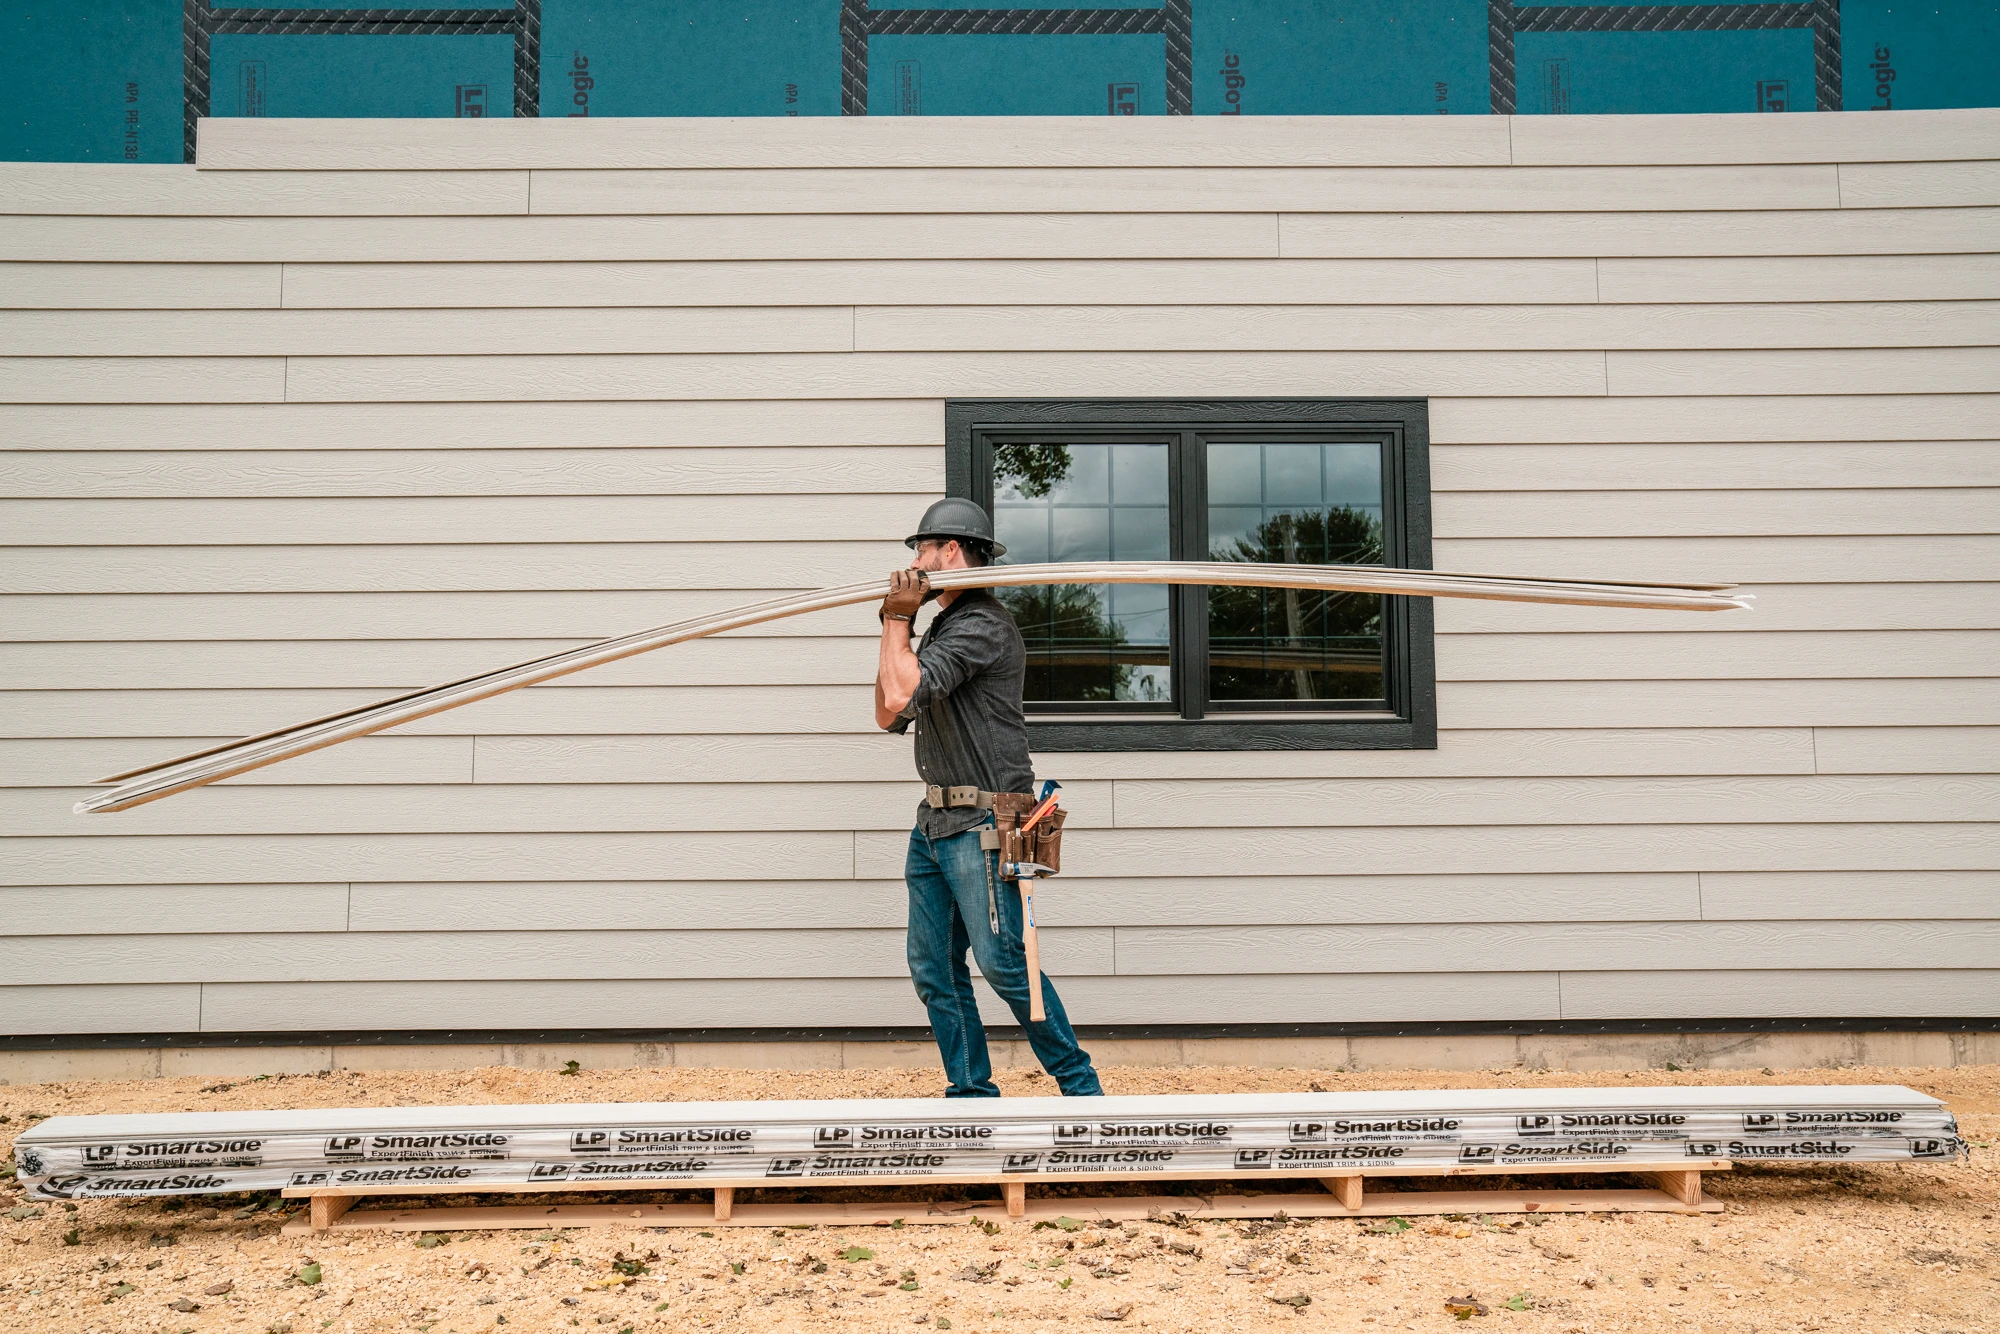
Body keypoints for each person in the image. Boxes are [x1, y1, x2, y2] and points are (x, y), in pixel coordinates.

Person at [875, 498, 1102, 1099]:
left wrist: (899, 621)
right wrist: (897, 622)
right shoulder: (946, 627)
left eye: (920, 550)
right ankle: (971, 1096)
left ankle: (1083, 1093)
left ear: (949, 551)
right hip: (935, 824)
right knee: (935, 970)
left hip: (983, 820)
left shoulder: (982, 624)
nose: (914, 563)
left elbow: (903, 685)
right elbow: (888, 708)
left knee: (1004, 962)